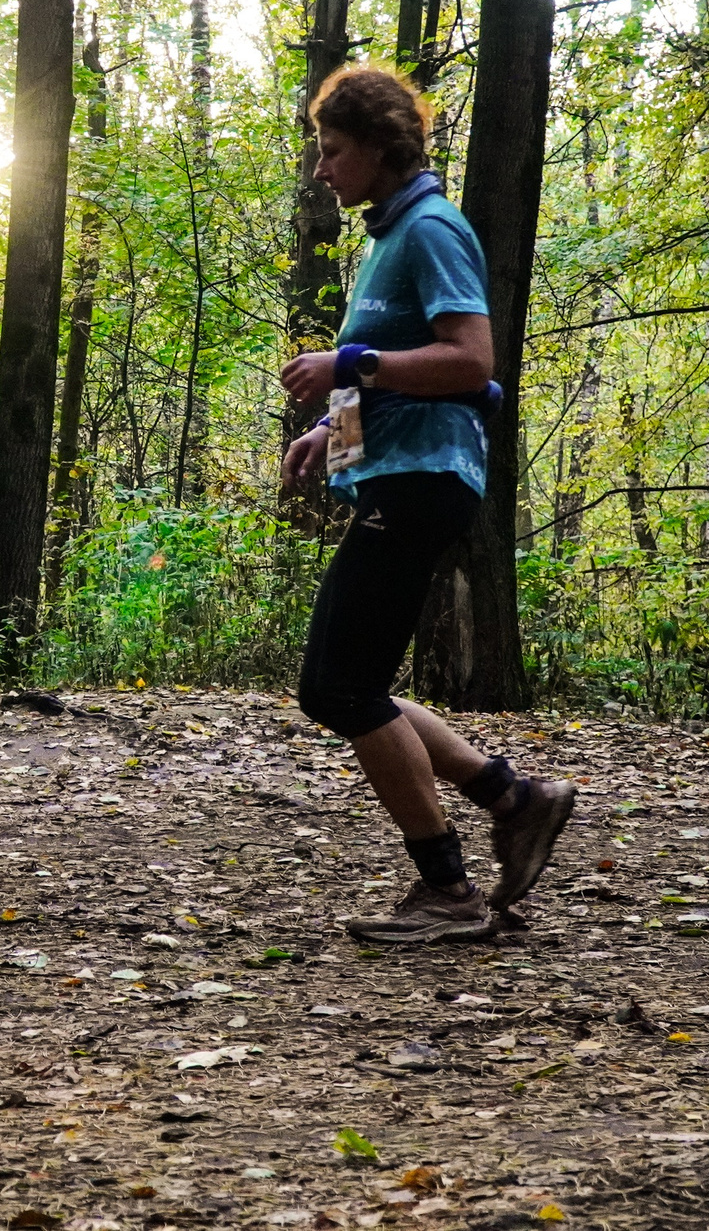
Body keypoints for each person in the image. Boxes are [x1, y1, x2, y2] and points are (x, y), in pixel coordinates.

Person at [278, 65, 576, 944]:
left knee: (342, 684)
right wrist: (332, 431)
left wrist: (350, 367)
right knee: (342, 684)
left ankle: (449, 887)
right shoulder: (389, 237)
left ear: (378, 145)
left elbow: (471, 361)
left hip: (428, 480)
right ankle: (513, 798)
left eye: (334, 152)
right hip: (396, 473)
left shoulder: (432, 230)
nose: (324, 170)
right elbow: (401, 367)